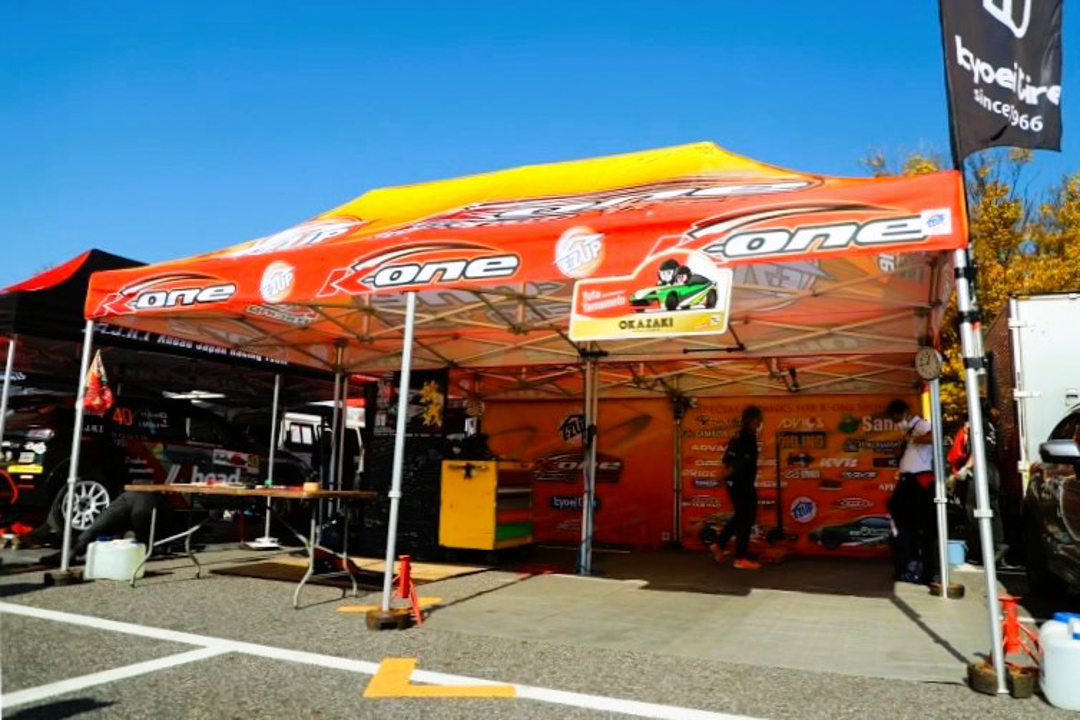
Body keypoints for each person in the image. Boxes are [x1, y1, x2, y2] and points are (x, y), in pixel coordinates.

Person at [41, 491, 176, 565]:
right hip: (149, 503)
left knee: (95, 529)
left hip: (129, 497)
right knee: (142, 546)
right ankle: (72, 551)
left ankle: (71, 551)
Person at [705, 405, 763, 570]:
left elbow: (726, 459)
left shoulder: (738, 436)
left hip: (737, 483)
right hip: (741, 483)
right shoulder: (746, 438)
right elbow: (737, 463)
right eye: (758, 420)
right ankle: (741, 558)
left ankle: (719, 545)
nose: (760, 423)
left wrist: (725, 476)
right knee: (746, 518)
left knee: (742, 515)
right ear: (752, 420)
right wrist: (723, 476)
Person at [885, 399, 936, 584]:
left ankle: (925, 569)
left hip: (919, 482)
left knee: (922, 528)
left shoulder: (921, 425)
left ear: (906, 413)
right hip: (906, 481)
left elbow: (934, 437)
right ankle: (907, 565)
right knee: (901, 523)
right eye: (894, 420)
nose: (897, 423)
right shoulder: (906, 431)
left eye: (898, 419)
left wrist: (913, 439)